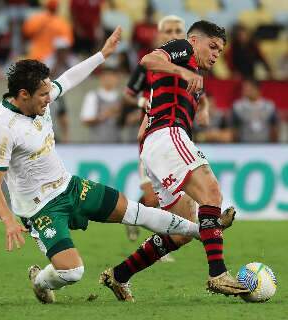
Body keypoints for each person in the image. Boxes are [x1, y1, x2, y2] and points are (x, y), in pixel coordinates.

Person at [0, 27, 205, 305]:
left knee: (136, 212)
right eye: (43, 95)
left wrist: (102, 54)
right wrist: (8, 221)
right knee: (73, 272)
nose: (49, 97)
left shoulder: (40, 98)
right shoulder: (2, 128)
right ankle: (41, 281)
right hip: (40, 207)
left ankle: (202, 231)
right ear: (23, 94)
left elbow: (68, 79)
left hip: (69, 186)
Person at [100, 21, 249, 301]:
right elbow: (149, 60)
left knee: (181, 230)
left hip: (158, 143)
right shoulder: (182, 50)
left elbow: (154, 108)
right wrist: (181, 69)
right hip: (168, 136)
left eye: (221, 50)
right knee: (212, 191)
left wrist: (200, 106)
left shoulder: (192, 77)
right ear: (194, 40)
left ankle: (118, 275)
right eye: (212, 46)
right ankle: (218, 273)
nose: (216, 54)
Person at [124, 15, 211, 245]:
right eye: (168, 31)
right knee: (154, 198)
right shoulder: (153, 63)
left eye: (177, 30)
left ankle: (159, 234)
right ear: (160, 35)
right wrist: (145, 107)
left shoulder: (189, 62)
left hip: (171, 132)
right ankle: (208, 231)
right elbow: (128, 94)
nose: (173, 35)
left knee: (178, 201)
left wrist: (204, 108)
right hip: (156, 132)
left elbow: (199, 94)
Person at [80, 65, 122, 143]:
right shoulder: (93, 96)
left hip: (117, 144)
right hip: (98, 146)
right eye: (106, 76)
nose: (109, 79)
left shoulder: (121, 99)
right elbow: (85, 120)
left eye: (112, 76)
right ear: (101, 78)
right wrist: (104, 115)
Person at [231, 79, 279, 143]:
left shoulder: (269, 106)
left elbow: (274, 128)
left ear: (257, 89)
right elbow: (234, 130)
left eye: (248, 88)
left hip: (265, 146)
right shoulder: (238, 107)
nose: (244, 91)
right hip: (244, 146)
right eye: (244, 88)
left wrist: (273, 146)